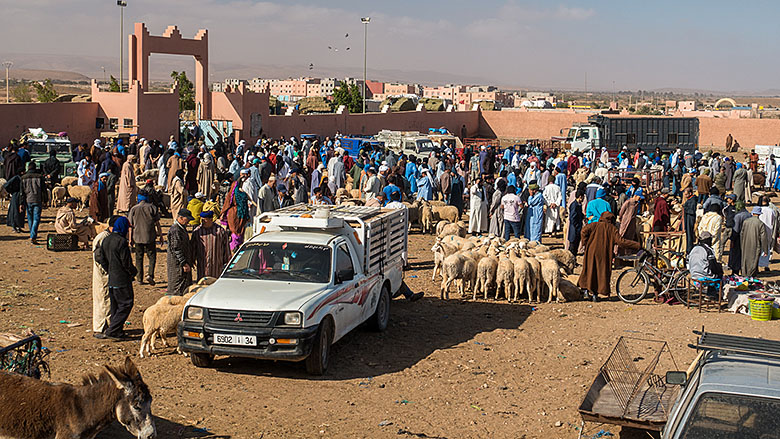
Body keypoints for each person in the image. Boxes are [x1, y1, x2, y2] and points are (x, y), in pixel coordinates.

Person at [578, 211, 641, 302]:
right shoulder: (612, 229)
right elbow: (621, 242)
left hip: (591, 251)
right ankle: (595, 294)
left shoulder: (594, 225)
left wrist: (586, 243)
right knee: (601, 272)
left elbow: (584, 231)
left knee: (589, 270)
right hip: (604, 254)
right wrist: (637, 245)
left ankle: (587, 290)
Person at [93, 216, 137, 340]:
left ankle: (117, 330)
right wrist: (133, 272)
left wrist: (109, 269)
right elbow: (126, 262)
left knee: (115, 306)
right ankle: (112, 330)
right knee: (126, 304)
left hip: (112, 278)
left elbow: (101, 258)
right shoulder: (121, 242)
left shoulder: (106, 239)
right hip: (122, 279)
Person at [128, 191, 162, 285]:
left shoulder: (134, 209)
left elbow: (130, 226)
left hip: (137, 237)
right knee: (152, 256)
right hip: (150, 236)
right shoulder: (152, 207)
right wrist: (161, 236)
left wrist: (130, 239)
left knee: (139, 257)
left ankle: (139, 278)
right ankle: (150, 275)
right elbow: (157, 224)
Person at [190, 210, 231, 280]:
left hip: (217, 266)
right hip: (203, 266)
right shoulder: (197, 232)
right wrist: (192, 260)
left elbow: (226, 247)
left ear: (211, 219)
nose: (203, 222)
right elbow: (193, 247)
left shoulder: (220, 231)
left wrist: (227, 260)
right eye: (202, 220)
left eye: (205, 220)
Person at [91, 217, 113, 337]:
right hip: (102, 275)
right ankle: (101, 328)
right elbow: (99, 257)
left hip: (101, 274)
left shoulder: (103, 236)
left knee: (103, 300)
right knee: (104, 301)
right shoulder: (104, 238)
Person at [221, 171, 251, 251]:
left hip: (235, 213)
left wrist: (223, 213)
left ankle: (234, 248)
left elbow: (227, 202)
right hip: (240, 214)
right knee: (238, 231)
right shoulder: (242, 193)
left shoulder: (234, 192)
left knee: (235, 231)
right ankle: (234, 248)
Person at [688, 231, 724, 297]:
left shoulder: (694, 248)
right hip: (703, 276)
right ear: (708, 240)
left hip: (693, 275)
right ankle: (712, 294)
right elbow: (713, 266)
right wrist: (719, 271)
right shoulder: (708, 250)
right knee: (718, 276)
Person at [167, 209, 195, 295]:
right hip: (177, 265)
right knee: (178, 288)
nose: (189, 222)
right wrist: (184, 263)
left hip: (182, 264)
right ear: (181, 218)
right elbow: (176, 248)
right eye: (187, 219)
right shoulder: (176, 230)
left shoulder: (181, 228)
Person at [20, 162, 44, 244]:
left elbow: (21, 192)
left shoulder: (23, 178)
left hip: (28, 200)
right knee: (36, 219)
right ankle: (33, 236)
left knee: (30, 218)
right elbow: (43, 190)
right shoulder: (40, 177)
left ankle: (32, 235)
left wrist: (21, 203)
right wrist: (45, 200)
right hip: (37, 200)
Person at [741, 206, 769, 277]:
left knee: (745, 259)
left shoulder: (746, 222)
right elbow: (763, 238)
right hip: (756, 244)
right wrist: (765, 250)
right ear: (759, 214)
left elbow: (741, 234)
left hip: (745, 244)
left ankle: (744, 274)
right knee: (754, 260)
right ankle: (750, 276)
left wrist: (742, 244)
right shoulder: (760, 223)